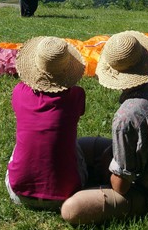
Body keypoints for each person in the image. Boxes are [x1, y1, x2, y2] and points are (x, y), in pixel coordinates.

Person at [61, 30, 148, 225]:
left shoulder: (126, 117)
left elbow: (120, 187)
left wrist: (112, 170)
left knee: (72, 209)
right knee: (81, 144)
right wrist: (113, 156)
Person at [5, 35, 87, 210]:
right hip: (67, 195)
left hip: (19, 194)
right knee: (74, 144)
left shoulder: (18, 91)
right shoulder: (77, 95)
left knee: (22, 143)